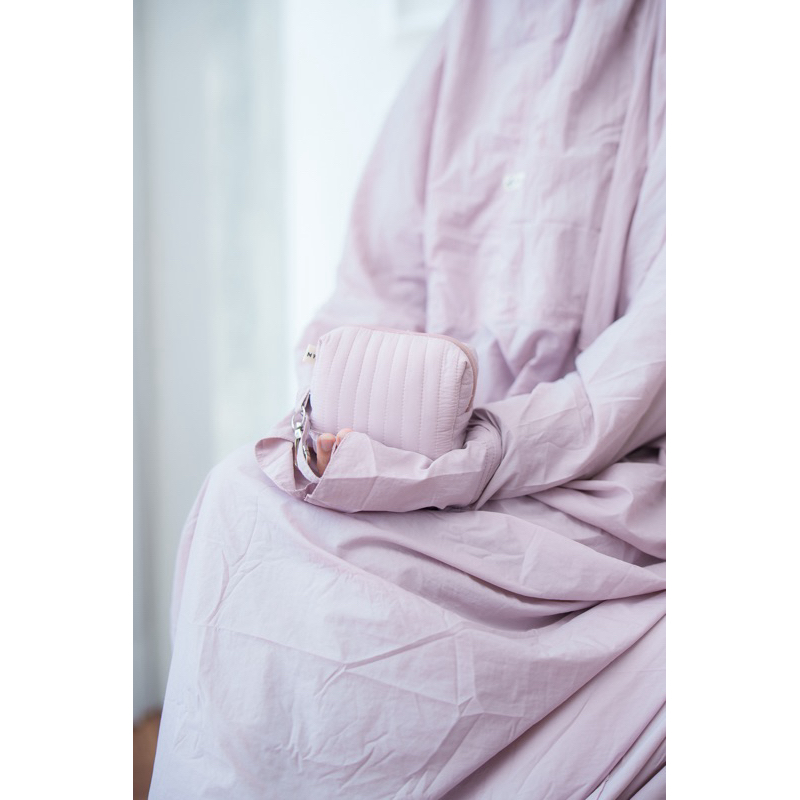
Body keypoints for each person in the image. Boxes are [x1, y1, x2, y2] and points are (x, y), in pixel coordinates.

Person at [150, 1, 666, 797]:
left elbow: (655, 353)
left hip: (596, 477)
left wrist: (487, 449)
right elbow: (368, 289)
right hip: (416, 456)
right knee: (238, 501)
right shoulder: (463, 43)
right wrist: (342, 410)